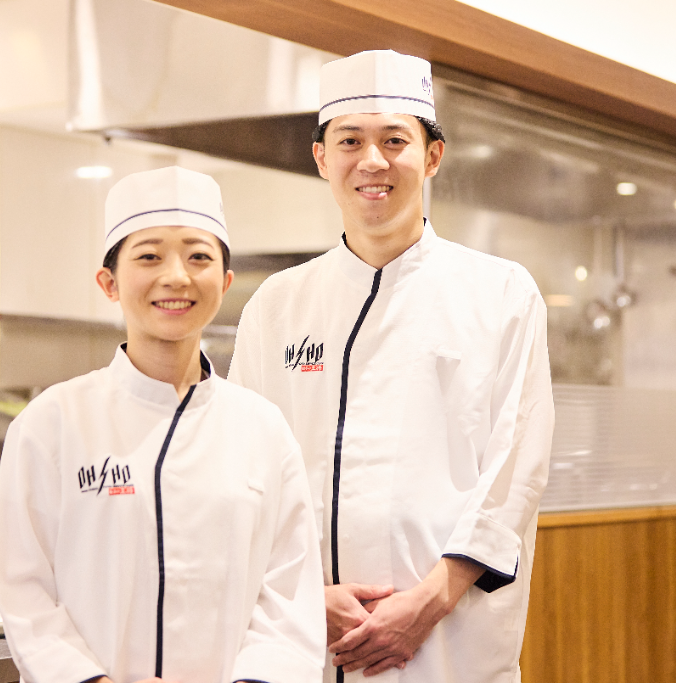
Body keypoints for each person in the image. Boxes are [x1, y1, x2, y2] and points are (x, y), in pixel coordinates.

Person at [228, 50, 554, 683]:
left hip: (450, 640)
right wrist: (300, 594)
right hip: (307, 639)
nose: (372, 161)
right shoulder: (278, 306)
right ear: (322, 158)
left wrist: (429, 601)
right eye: (350, 140)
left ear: (432, 157)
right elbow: (244, 473)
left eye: (395, 141)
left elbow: (517, 469)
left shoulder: (501, 292)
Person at [0, 166, 326, 683]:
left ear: (225, 281)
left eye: (199, 257)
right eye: (149, 256)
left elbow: (289, 595)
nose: (177, 276)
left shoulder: (262, 428)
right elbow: (25, 591)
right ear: (109, 282)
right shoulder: (51, 424)